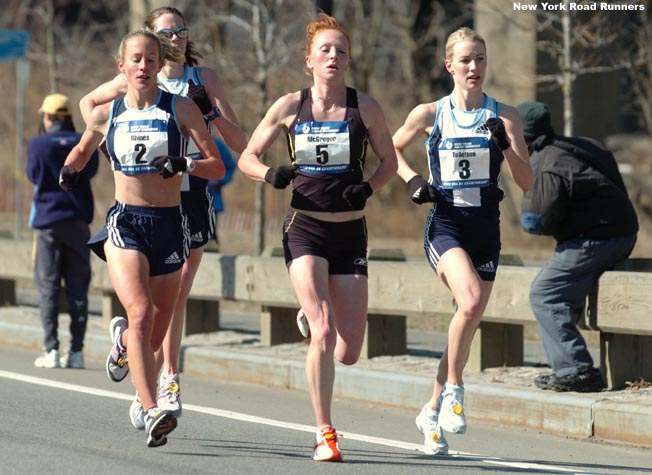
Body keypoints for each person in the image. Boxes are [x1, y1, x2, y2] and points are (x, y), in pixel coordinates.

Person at [238, 13, 397, 462]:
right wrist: (272, 173)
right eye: (325, 50)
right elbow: (247, 156)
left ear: (348, 61)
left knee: (347, 351)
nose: (333, 56)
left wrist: (369, 186)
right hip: (304, 228)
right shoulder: (290, 106)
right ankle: (324, 432)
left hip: (350, 233)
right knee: (325, 331)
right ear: (309, 60)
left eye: (341, 50)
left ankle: (311, 320)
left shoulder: (365, 107)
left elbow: (388, 161)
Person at [79, 5, 246, 431]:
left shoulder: (202, 79)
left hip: (190, 194)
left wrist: (212, 112)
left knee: (177, 292)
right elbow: (89, 106)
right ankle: (159, 382)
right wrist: (110, 144)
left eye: (181, 32)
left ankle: (165, 373)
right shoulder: (132, 77)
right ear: (149, 39)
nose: (176, 40)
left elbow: (236, 142)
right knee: (145, 311)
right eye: (166, 34)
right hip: (143, 199)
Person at [392, 27, 532, 455]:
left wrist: (505, 145)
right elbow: (388, 149)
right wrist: (414, 179)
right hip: (446, 225)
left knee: (465, 326)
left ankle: (431, 413)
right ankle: (455, 390)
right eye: (466, 60)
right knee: (470, 303)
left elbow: (528, 183)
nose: (475, 67)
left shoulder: (504, 115)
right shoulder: (430, 113)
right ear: (449, 65)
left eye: (481, 59)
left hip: (486, 227)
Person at [517, 101, 638, 393]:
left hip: (595, 239)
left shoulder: (544, 163)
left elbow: (536, 223)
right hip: (623, 232)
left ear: (520, 137)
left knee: (545, 294)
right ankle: (570, 365)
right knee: (564, 291)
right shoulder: (578, 145)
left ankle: (576, 370)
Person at [27, 93, 99, 370]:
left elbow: (34, 176)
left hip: (47, 222)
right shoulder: (83, 140)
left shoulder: (37, 145)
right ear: (69, 116)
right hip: (78, 221)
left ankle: (52, 349)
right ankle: (77, 351)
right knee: (78, 286)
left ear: (46, 117)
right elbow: (89, 170)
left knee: (48, 286)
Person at [206, 137, 236, 251]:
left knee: (209, 239)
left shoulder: (217, 144)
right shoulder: (183, 139)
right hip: (185, 202)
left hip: (212, 202)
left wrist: (219, 180)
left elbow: (230, 166)